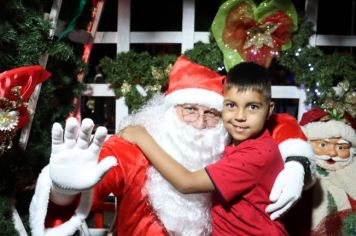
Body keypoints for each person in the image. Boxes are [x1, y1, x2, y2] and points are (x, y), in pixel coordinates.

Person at [29, 56, 314, 236]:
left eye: (211, 113)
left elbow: (280, 123)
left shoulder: (234, 139)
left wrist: (297, 162)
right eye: (189, 109)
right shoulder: (136, 148)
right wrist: (64, 192)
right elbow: (99, 173)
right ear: (168, 112)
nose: (200, 122)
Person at [120, 61, 289, 235]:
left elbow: (187, 182)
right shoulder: (234, 138)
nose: (240, 116)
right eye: (231, 105)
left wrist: (141, 137)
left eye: (252, 107)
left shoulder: (257, 154)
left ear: (269, 110)